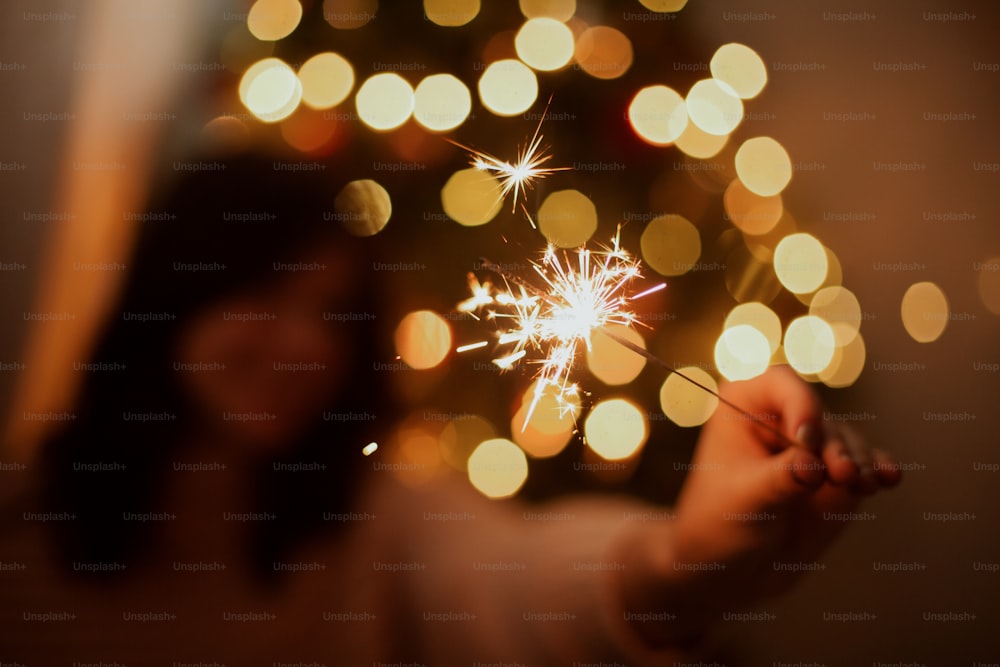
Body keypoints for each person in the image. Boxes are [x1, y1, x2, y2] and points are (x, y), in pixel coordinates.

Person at [0, 153, 900, 665]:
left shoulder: (377, 523)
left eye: (329, 313)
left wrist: (675, 561)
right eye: (264, 294)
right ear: (170, 291)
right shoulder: (22, 522)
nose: (303, 345)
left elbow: (512, 574)